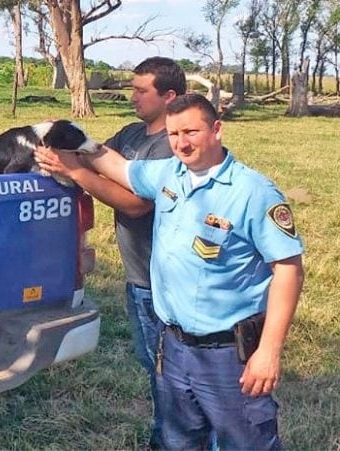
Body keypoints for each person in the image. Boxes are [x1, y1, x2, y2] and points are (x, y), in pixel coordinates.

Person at [36, 93, 304, 449]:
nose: (181, 142)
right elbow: (117, 167)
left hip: (230, 356)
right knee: (177, 441)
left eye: (191, 132)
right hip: (174, 348)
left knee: (245, 443)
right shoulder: (168, 174)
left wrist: (268, 351)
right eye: (174, 134)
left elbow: (288, 269)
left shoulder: (253, 192)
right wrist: (74, 142)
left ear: (217, 130)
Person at [39, 56, 187, 447]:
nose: (132, 96)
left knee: (170, 370)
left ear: (169, 96)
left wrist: (76, 172)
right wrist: (54, 142)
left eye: (142, 90)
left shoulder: (170, 146)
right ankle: (170, 432)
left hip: (167, 282)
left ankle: (176, 438)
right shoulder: (132, 135)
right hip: (138, 277)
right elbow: (94, 157)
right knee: (151, 363)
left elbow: (137, 203)